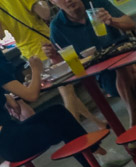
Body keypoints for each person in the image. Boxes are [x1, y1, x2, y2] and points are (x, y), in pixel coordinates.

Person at [48, 0, 136, 152]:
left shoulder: (96, 3)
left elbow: (130, 24)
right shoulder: (57, 27)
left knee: (124, 68)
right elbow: (69, 64)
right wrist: (54, 58)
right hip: (105, 74)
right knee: (135, 79)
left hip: (129, 57)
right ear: (53, 2)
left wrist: (111, 20)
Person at [0, 50, 126, 167]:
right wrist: (35, 68)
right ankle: (101, 157)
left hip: (8, 144)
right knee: (62, 120)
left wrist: (5, 97)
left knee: (58, 113)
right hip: (15, 143)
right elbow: (31, 95)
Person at [0, 0, 108, 130]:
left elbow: (1, 35)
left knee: (66, 89)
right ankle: (76, 134)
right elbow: (45, 14)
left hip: (28, 52)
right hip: (45, 47)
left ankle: (97, 123)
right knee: (67, 91)